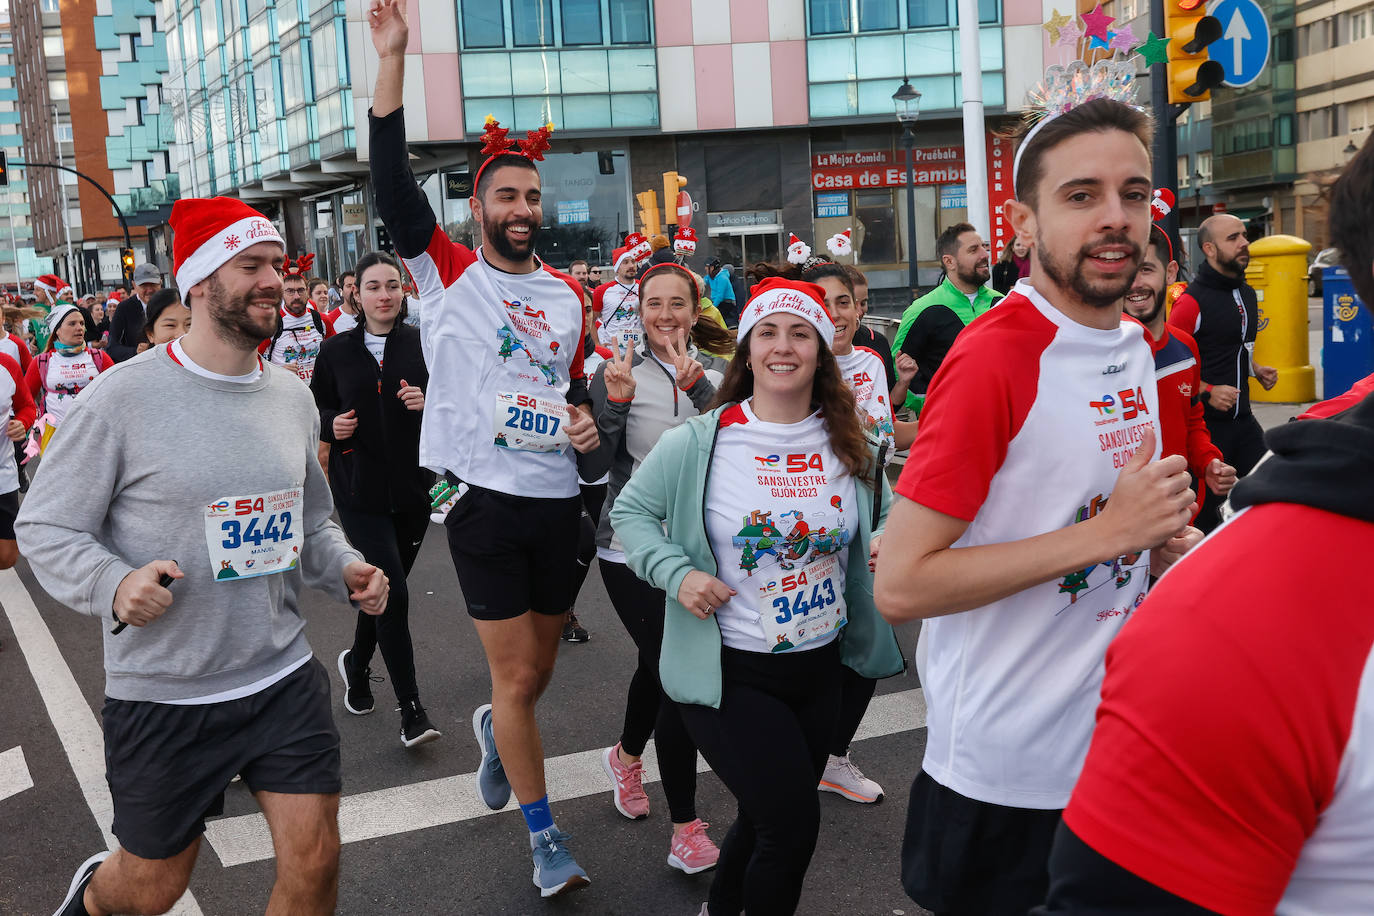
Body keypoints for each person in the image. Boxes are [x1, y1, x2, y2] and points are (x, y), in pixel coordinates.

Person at [873, 98, 1203, 915]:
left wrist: (1159, 542)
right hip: (1005, 774)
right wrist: (1109, 532)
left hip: (1120, 745)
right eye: (1082, 195)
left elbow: (1106, 516)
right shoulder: (994, 358)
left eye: (1133, 192)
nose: (1116, 218)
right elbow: (903, 584)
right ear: (1023, 221)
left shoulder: (1130, 343)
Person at [1037, 142, 1374, 914]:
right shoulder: (1233, 627)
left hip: (1202, 492)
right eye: (1085, 199)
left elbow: (1186, 413)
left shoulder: (1196, 329)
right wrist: (1113, 533)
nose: (1134, 265)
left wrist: (1213, 454)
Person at [28, 194, 388, 916]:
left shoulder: (289, 396)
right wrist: (114, 582)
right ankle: (95, 900)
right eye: (249, 265)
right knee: (153, 888)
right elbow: (45, 527)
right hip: (167, 692)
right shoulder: (120, 398)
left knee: (316, 860)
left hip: (279, 672)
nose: (271, 281)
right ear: (199, 283)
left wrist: (343, 565)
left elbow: (310, 522)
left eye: (276, 265)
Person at [368, 0, 601, 897]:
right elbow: (391, 186)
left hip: (558, 504)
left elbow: (567, 390)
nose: (522, 208)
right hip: (480, 501)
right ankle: (545, 841)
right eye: (506, 194)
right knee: (515, 676)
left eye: (532, 196)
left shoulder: (570, 296)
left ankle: (494, 732)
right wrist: (394, 60)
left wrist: (585, 425)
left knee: (534, 677)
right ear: (478, 205)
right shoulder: (446, 274)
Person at [610, 277, 903, 916]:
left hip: (820, 668)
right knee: (791, 829)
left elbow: (886, 514)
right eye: (767, 332)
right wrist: (677, 574)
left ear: (822, 351)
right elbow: (628, 513)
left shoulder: (853, 442)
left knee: (765, 816)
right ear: (746, 349)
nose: (783, 346)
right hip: (731, 673)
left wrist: (882, 538)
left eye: (801, 333)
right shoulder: (700, 442)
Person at [589, 262, 727, 875]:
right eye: (653, 304)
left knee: (658, 664)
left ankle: (624, 756)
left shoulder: (719, 378)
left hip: (695, 550)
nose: (665, 315)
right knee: (674, 675)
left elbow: (733, 448)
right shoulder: (614, 373)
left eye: (678, 304)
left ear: (695, 311)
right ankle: (686, 829)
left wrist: (702, 391)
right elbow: (603, 461)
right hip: (629, 545)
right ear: (637, 309)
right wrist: (614, 405)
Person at [312, 250, 440, 748]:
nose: (384, 294)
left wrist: (428, 404)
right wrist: (332, 424)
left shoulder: (423, 344)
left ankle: (358, 664)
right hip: (359, 490)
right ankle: (412, 710)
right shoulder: (336, 351)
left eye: (392, 285)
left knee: (387, 590)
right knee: (397, 593)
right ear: (356, 295)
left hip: (414, 489)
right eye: (373, 287)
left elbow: (455, 401)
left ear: (402, 293)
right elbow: (316, 406)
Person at [801, 261, 912, 808]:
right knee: (816, 646)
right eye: (821, 301)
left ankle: (833, 756)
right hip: (808, 529)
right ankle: (801, 754)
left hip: (870, 518)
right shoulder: (792, 365)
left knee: (870, 644)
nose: (835, 312)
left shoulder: (872, 358)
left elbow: (885, 444)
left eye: (843, 301)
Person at [1166, 213, 1276, 532]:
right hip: (1209, 430)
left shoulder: (1247, 293)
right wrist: (1208, 390)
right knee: (1207, 521)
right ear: (1210, 249)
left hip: (1245, 420)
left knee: (1277, 489)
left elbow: (1237, 345)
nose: (1245, 243)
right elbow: (1169, 365)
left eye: (1244, 235)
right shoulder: (1190, 303)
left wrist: (1255, 370)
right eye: (1234, 238)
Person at [1122, 225, 1236, 514]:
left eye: (1146, 269)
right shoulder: (1098, 355)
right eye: (1125, 271)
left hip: (1181, 510)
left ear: (1170, 272)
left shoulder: (1185, 347)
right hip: (1123, 521)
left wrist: (1209, 461)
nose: (1134, 284)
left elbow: (1192, 422)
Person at [892, 223, 1002, 414]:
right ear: (949, 261)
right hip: (946, 428)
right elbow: (899, 369)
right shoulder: (922, 309)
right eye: (973, 249)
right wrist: (936, 406)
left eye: (984, 247)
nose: (985, 254)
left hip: (1002, 424)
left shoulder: (1001, 303)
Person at [26, 303, 114, 452]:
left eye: (81, 323)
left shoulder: (99, 357)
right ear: (57, 331)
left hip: (94, 432)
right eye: (72, 324)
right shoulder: (42, 361)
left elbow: (117, 391)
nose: (79, 328)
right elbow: (25, 399)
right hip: (55, 433)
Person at [260, 258, 335, 383]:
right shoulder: (271, 322)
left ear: (308, 292)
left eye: (300, 290)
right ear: (282, 293)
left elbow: (337, 351)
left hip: (320, 394)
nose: (296, 296)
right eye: (290, 291)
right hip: (287, 392)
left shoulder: (321, 320)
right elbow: (253, 361)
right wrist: (278, 371)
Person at [0, 346, 34, 569]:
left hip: (2, 474)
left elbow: (28, 407)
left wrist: (22, 423)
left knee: (7, 558)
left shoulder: (6, 364)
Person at [107, 263, 163, 362]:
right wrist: (135, 351)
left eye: (153, 284)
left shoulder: (169, 303)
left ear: (160, 282)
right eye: (144, 285)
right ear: (134, 285)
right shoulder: (124, 308)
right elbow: (112, 348)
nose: (149, 290)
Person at [593, 249, 643, 350]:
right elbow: (591, 321)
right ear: (617, 268)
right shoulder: (602, 290)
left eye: (633, 262)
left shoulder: (644, 286)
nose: (631, 266)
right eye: (625, 262)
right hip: (613, 350)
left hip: (639, 349)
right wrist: (597, 344)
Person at [704, 258, 737, 325]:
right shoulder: (710, 276)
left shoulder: (722, 278)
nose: (705, 268)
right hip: (719, 302)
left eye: (707, 267)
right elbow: (702, 282)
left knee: (715, 320)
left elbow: (720, 296)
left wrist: (712, 307)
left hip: (727, 303)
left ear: (712, 268)